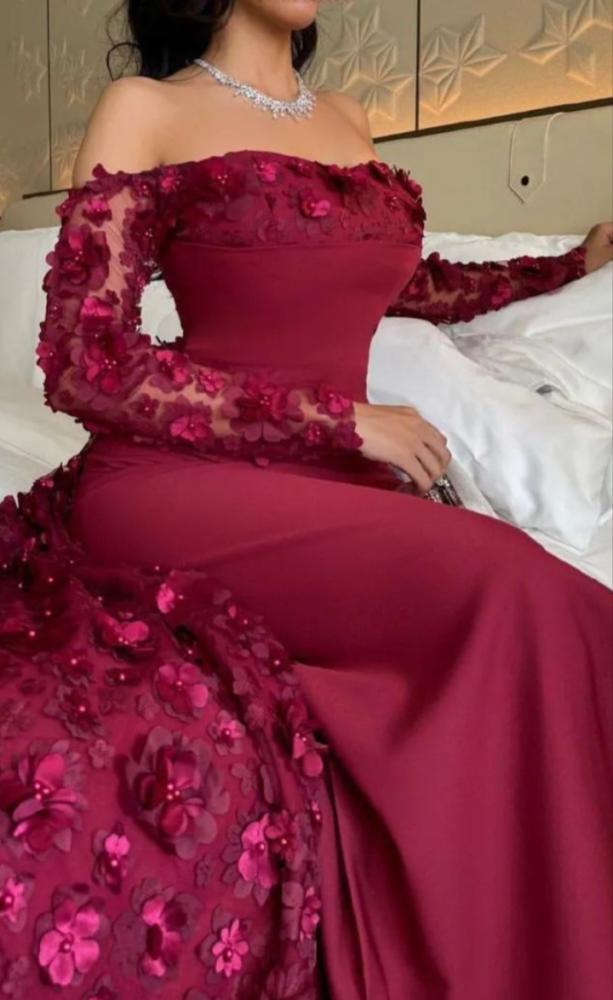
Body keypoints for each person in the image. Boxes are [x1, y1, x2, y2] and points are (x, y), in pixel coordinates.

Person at [0, 2, 611, 997]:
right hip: (174, 480)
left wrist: (567, 266)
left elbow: (410, 287)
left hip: (325, 480)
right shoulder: (146, 107)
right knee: (515, 586)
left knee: (556, 609)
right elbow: (85, 360)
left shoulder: (349, 121)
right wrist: (337, 419)